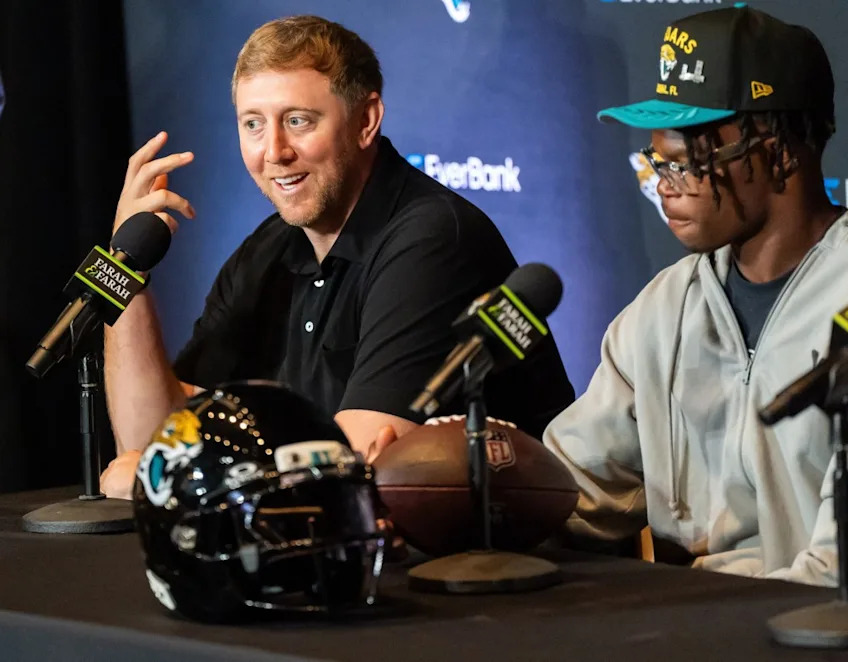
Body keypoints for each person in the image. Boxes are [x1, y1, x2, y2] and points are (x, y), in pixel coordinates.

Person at [544, 6, 848, 600]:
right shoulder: (666, 307)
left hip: (822, 625)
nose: (663, 184)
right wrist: (482, 489)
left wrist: (690, 618)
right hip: (691, 621)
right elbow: (570, 493)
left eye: (688, 160)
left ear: (780, 151)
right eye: (658, 161)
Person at [101, 15, 574, 498]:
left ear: (365, 121)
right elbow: (150, 437)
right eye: (253, 124)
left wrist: (166, 479)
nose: (274, 151)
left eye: (298, 121)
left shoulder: (433, 240)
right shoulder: (268, 249)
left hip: (502, 542)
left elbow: (341, 480)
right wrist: (125, 262)